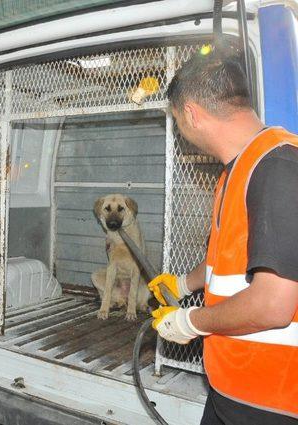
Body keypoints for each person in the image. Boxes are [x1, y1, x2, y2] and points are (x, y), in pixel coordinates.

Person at [148, 45, 298, 424]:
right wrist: (182, 284)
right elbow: (227, 262)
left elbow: (274, 305)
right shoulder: (239, 168)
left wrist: (192, 321)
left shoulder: (278, 168)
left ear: (192, 115)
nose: (180, 130)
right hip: (233, 386)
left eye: (177, 120)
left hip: (273, 401)